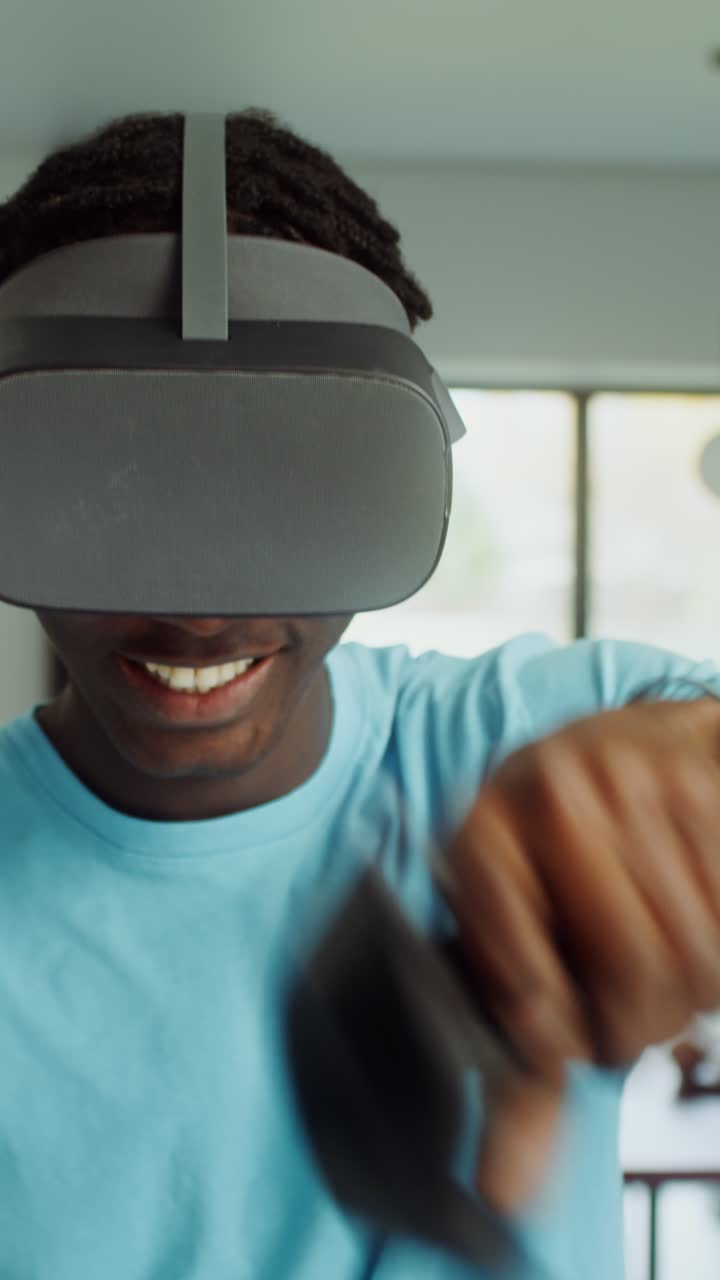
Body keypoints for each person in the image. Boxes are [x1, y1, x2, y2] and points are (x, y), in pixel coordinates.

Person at [2, 109, 720, 1280]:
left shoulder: (538, 737)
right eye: (116, 489)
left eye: (278, 488)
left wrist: (696, 773)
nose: (200, 614)